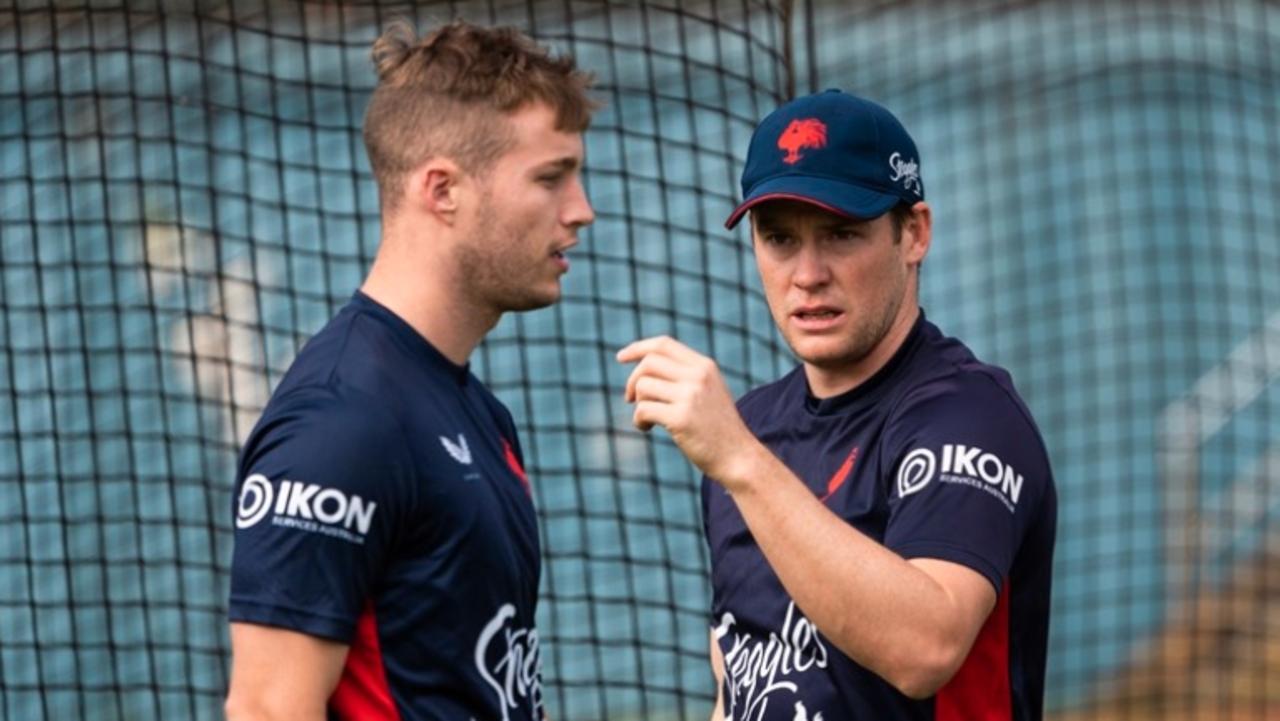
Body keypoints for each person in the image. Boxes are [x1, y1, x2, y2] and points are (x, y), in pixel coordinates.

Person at [618, 89, 1057, 720]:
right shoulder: (752, 428)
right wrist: (740, 454)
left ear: (914, 233)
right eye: (778, 239)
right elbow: (741, 678)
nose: (807, 273)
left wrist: (739, 460)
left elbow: (924, 648)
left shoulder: (968, 416)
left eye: (841, 234)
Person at [225, 19, 595, 721]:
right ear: (442, 190)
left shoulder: (477, 411)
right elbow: (268, 708)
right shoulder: (343, 421)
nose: (581, 210)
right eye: (551, 178)